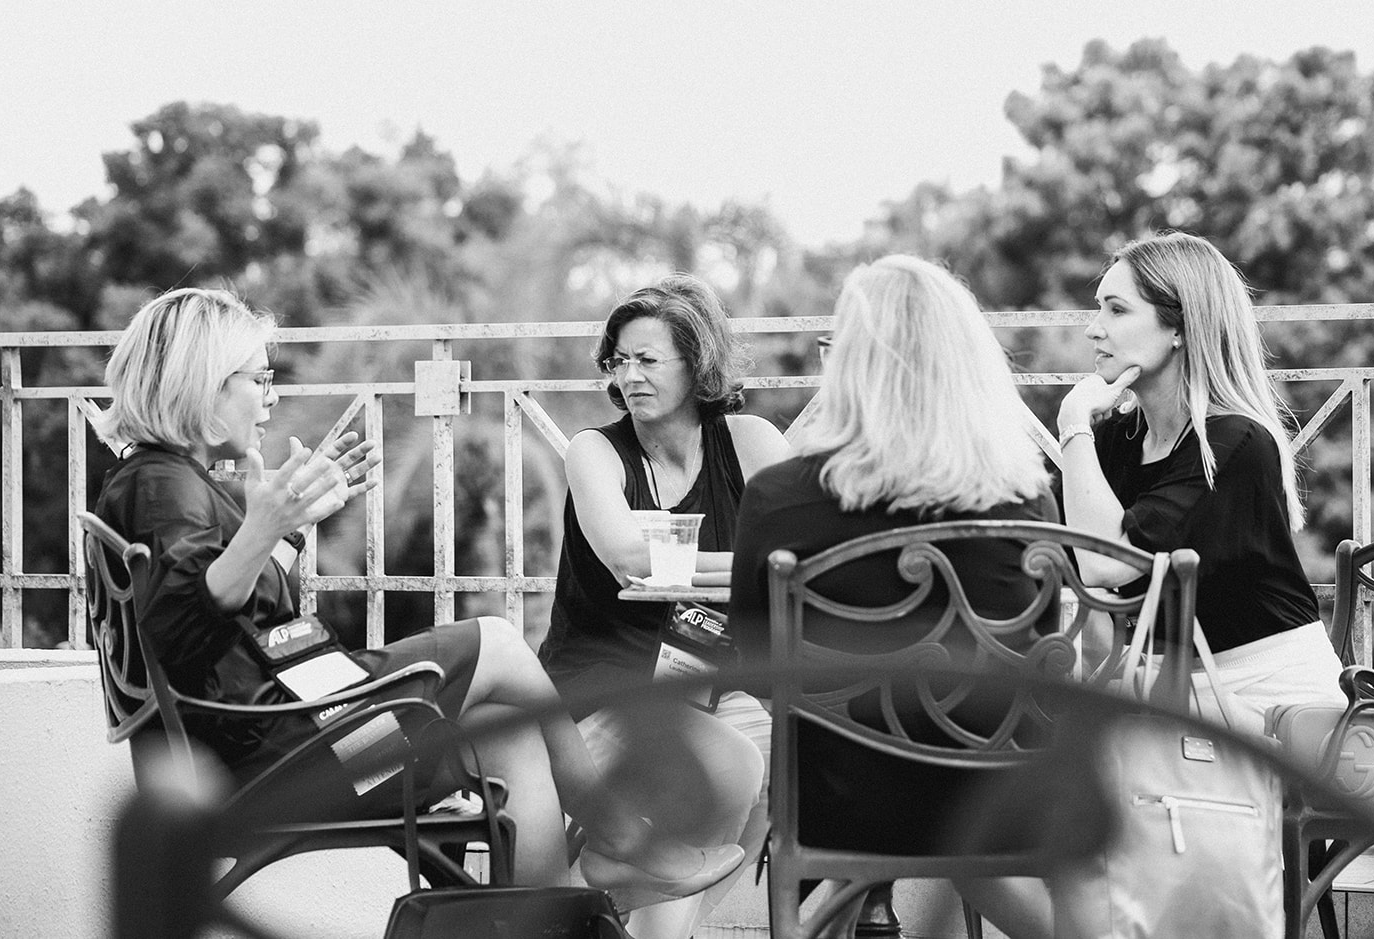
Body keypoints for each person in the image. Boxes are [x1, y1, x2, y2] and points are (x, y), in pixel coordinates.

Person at [91, 287, 742, 900]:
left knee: (508, 737)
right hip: (280, 761)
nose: (271, 396)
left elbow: (232, 614)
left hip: (281, 740)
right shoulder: (165, 487)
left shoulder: (158, 480)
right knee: (498, 641)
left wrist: (288, 530)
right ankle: (618, 834)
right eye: (258, 379)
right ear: (205, 383)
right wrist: (262, 528)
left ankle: (552, 921)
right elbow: (181, 629)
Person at [729, 255, 1065, 939]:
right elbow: (1042, 652)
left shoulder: (778, 496)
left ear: (849, 362)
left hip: (841, 800)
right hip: (995, 794)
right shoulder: (1027, 498)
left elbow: (755, 664)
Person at [536, 273, 793, 939]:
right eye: (619, 360)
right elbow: (628, 557)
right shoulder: (597, 451)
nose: (630, 376)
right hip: (608, 686)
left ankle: (624, 919)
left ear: (697, 362)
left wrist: (712, 568)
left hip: (714, 683)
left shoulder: (751, 443)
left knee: (788, 763)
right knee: (731, 764)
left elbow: (800, 553)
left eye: (648, 359)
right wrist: (750, 566)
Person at [1054, 231, 1345, 733]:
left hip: (1272, 702)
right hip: (1173, 692)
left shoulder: (1235, 443)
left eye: (1116, 310)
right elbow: (1058, 553)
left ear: (1180, 327)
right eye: (1098, 308)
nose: (1092, 329)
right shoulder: (1120, 438)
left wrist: (1072, 424)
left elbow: (1104, 563)